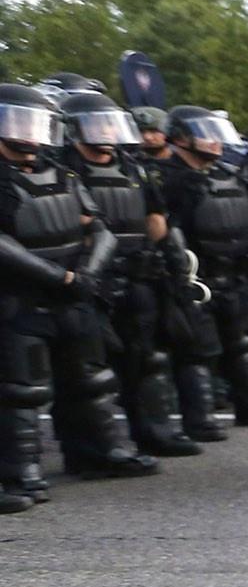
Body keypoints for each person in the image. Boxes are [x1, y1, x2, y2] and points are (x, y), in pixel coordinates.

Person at [0, 84, 161, 512]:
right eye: (15, 120)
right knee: (23, 389)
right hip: (21, 297)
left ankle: (101, 452)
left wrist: (87, 273)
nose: (26, 132)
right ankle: (22, 472)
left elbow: (100, 228)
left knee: (91, 378)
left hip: (75, 293)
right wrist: (60, 276)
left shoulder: (63, 173)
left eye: (32, 121)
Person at [56, 90, 204, 458]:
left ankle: (153, 432)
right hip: (89, 279)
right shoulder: (61, 168)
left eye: (110, 123)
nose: (105, 131)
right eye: (96, 124)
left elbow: (155, 219)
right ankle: (88, 449)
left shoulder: (132, 166)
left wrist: (172, 266)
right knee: (88, 370)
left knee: (146, 359)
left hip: (138, 276)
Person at [157, 106, 248, 433]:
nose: (215, 141)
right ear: (180, 138)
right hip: (195, 278)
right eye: (205, 133)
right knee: (197, 350)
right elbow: (162, 230)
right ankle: (200, 419)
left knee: (243, 343)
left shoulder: (232, 175)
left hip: (236, 273)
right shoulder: (166, 179)